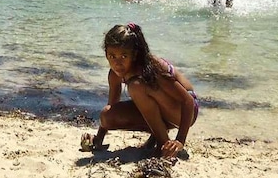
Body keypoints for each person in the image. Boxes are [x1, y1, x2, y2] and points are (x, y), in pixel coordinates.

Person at [80, 23, 198, 158]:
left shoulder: (151, 67)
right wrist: (98, 139)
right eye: (112, 56)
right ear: (106, 55)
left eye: (124, 56)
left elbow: (186, 100)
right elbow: (112, 105)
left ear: (134, 55)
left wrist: (180, 140)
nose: (117, 63)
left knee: (136, 86)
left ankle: (163, 143)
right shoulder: (114, 74)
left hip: (185, 112)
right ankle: (159, 136)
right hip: (163, 113)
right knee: (107, 116)